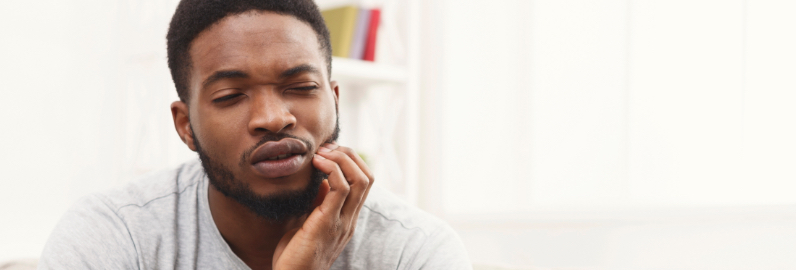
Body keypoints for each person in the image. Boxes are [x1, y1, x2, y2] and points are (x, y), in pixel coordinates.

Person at [38, 0, 471, 269]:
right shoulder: (113, 236)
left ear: (335, 100)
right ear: (186, 126)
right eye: (230, 95)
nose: (273, 117)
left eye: (301, 88)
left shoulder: (412, 252)